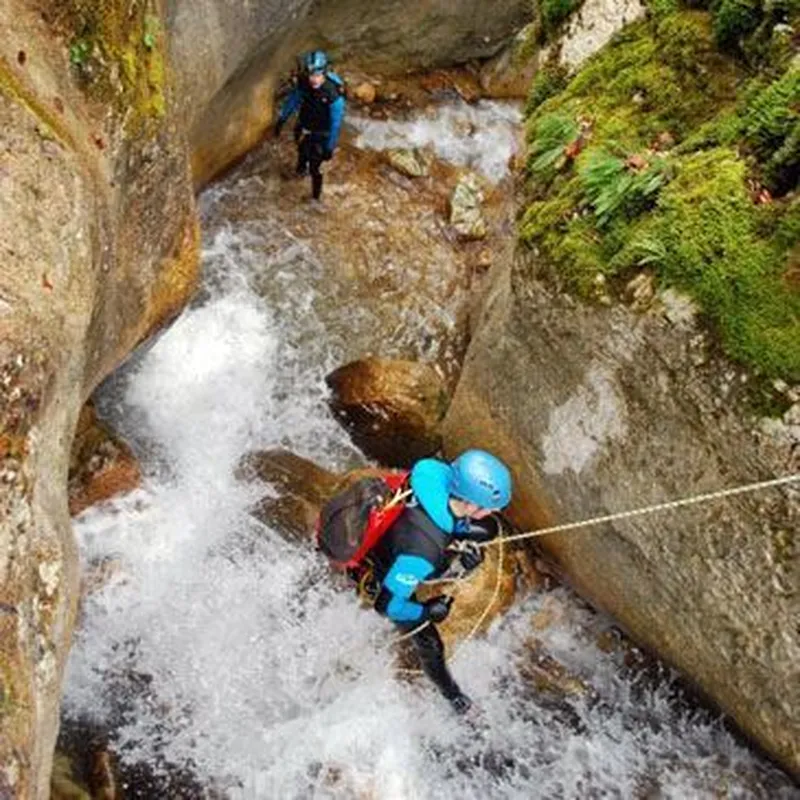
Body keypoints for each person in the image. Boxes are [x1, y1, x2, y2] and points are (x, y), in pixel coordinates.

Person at [366, 449, 512, 715]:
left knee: (489, 529)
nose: (494, 512)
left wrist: (458, 551)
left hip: (403, 523)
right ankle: (455, 698)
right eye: (489, 508)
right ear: (469, 503)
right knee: (431, 643)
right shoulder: (423, 554)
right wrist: (426, 611)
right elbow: (385, 605)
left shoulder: (430, 470)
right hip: (390, 559)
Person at [273, 50, 346, 202]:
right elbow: (294, 99)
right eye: (311, 75)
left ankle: (315, 198)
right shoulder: (304, 83)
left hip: (321, 133)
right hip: (305, 125)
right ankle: (299, 173)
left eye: (318, 75)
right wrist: (282, 119)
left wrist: (329, 147)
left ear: (325, 73)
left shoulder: (333, 95)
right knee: (301, 151)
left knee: (315, 167)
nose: (314, 80)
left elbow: (336, 123)